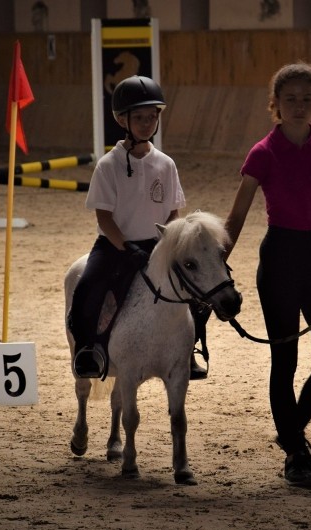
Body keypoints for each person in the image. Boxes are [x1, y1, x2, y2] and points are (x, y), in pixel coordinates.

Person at [224, 62, 311, 489]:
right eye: (290, 99)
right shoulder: (262, 153)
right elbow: (239, 213)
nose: (298, 106)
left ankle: (290, 431)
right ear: (276, 105)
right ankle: (297, 454)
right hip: (279, 257)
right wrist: (218, 261)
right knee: (285, 359)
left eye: (306, 98)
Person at [68, 75, 210, 381]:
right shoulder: (108, 165)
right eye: (139, 118)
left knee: (201, 291)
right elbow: (104, 217)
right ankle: (88, 349)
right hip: (115, 246)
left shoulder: (166, 164)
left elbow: (173, 211)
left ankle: (191, 350)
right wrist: (125, 247)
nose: (147, 124)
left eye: (152, 117)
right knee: (87, 290)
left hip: (157, 244)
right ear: (122, 119)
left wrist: (171, 244)